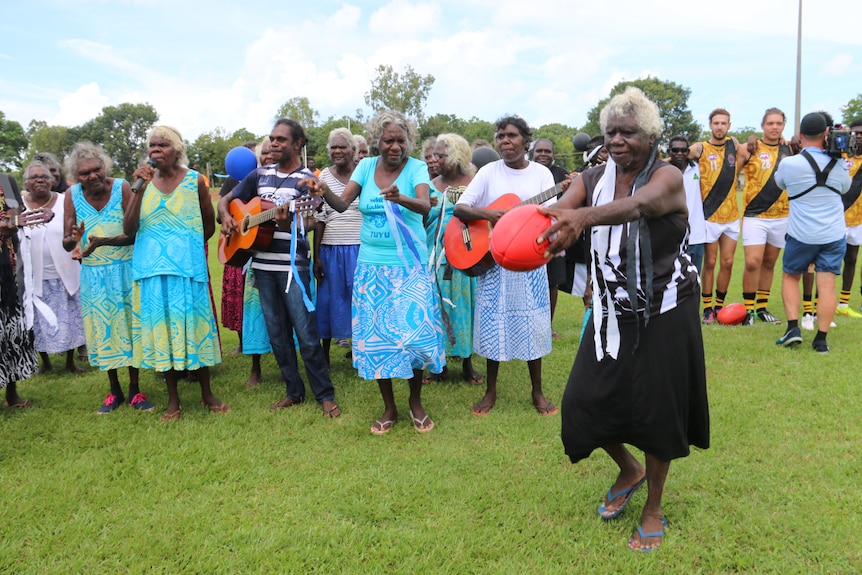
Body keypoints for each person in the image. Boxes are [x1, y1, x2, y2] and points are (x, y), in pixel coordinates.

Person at [541, 87, 709, 553]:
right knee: (581, 400)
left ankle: (653, 507)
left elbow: (638, 207)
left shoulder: (669, 176)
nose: (617, 140)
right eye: (611, 131)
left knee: (658, 410)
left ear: (650, 134)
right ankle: (629, 469)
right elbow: (564, 206)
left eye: (628, 132)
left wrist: (582, 217)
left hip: (666, 307)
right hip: (612, 308)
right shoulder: (593, 176)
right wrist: (531, 223)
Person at [303, 110, 445, 434]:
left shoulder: (417, 168)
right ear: (377, 142)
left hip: (409, 266)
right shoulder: (366, 167)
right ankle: (389, 407)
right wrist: (321, 189)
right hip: (371, 267)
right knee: (378, 339)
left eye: (401, 140)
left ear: (408, 141)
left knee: (415, 336)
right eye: (388, 140)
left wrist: (401, 198)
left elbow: (426, 205)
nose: (395, 146)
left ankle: (416, 402)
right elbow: (341, 205)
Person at [218, 119, 340, 417]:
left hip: (292, 268)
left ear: (298, 143)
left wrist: (290, 223)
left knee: (306, 333)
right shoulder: (258, 175)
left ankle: (324, 394)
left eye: (281, 140)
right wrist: (227, 218)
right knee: (277, 334)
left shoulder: (307, 180)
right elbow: (226, 200)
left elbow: (313, 219)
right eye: (272, 139)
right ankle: (293, 391)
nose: (273, 144)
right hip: (261, 266)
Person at [453, 115, 557, 417]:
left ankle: (537, 391)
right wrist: (491, 215)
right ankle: (490, 391)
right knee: (493, 323)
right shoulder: (487, 172)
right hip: (494, 259)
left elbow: (550, 216)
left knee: (535, 325)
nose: (505, 141)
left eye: (511, 135)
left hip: (530, 261)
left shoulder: (542, 175)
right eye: (500, 136)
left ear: (526, 140)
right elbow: (461, 209)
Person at [125, 125, 228, 420]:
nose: (155, 151)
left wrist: (186, 246)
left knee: (197, 327)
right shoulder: (140, 184)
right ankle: (173, 400)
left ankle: (207, 393)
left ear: (177, 151)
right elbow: (128, 229)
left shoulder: (195, 181)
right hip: (152, 271)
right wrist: (139, 188)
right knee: (163, 332)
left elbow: (209, 227)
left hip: (187, 269)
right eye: (152, 146)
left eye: (163, 145)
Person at [62, 142, 153, 413]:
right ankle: (114, 390)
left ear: (105, 167)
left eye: (96, 169)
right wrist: (72, 239)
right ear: (76, 177)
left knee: (131, 328)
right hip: (93, 275)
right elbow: (68, 244)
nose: (92, 176)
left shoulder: (123, 187)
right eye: (84, 173)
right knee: (103, 331)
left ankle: (136, 389)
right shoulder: (72, 195)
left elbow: (133, 233)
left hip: (125, 268)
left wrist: (100, 242)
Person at [774, 112, 852, 353]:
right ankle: (821, 340)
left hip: (801, 234)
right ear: (827, 134)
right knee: (827, 285)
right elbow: (846, 188)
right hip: (833, 234)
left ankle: (792, 329)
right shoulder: (840, 164)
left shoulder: (789, 163)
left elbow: (780, 183)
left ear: (800, 135)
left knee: (790, 276)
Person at [422, 133, 483, 385]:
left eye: (440, 155)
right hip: (434, 259)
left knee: (465, 306)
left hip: (467, 257)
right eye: (433, 154)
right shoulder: (429, 185)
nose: (434, 159)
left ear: (456, 156)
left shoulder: (476, 183)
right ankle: (439, 366)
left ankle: (467, 363)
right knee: (436, 307)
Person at [22, 160, 87, 374]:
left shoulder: (63, 201)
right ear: (26, 183)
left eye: (45, 176)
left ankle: (70, 361)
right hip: (35, 275)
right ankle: (45, 362)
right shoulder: (19, 206)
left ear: (52, 181)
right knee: (39, 321)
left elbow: (77, 228)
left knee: (69, 316)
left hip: (65, 270)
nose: (40, 180)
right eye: (34, 177)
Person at [688, 109, 750, 323]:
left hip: (731, 216)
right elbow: (678, 155)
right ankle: (707, 309)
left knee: (728, 261)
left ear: (729, 125)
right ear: (710, 125)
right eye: (716, 123)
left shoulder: (735, 146)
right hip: (709, 215)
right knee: (711, 262)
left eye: (724, 123)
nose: (720, 127)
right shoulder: (700, 148)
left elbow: (755, 150)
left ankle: (720, 306)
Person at [737, 108, 791, 325]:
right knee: (753, 262)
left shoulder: (790, 149)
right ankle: (748, 310)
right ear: (762, 126)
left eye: (778, 123)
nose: (774, 127)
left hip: (781, 215)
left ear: (783, 126)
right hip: (754, 215)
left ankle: (761, 308)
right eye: (770, 123)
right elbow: (730, 174)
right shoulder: (749, 148)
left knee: (769, 262)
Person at [313, 128, 361, 365]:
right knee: (329, 299)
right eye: (333, 147)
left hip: (360, 247)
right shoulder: (324, 177)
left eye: (343, 146)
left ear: (353, 150)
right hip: (331, 247)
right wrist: (317, 256)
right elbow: (320, 217)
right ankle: (324, 354)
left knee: (359, 299)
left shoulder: (362, 174)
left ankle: (362, 352)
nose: (338, 151)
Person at [218, 140, 259, 357]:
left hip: (259, 244)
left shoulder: (266, 179)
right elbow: (219, 214)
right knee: (238, 300)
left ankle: (263, 342)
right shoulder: (232, 182)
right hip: (238, 247)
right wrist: (230, 218)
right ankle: (243, 343)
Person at [0, 171, 37, 408]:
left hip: (5, 267)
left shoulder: (6, 181)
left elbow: (15, 214)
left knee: (10, 328)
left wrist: (10, 223)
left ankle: (12, 395)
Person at [531, 138, 570, 339]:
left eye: (548, 150)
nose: (543, 154)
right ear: (532, 152)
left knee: (552, 281)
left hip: (553, 233)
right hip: (526, 234)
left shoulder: (563, 175)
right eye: (539, 151)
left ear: (553, 154)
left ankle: (548, 326)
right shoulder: (526, 172)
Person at [667, 135, 707, 275]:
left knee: (694, 277)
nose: (679, 153)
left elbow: (703, 147)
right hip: (670, 235)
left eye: (684, 150)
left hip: (696, 234)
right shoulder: (661, 172)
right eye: (675, 150)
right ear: (669, 151)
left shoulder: (699, 169)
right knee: (670, 278)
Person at [836, 119, 862, 317]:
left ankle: (843, 303)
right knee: (829, 259)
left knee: (852, 258)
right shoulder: (839, 154)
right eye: (856, 133)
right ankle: (820, 302)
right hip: (836, 217)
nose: (859, 136)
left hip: (858, 218)